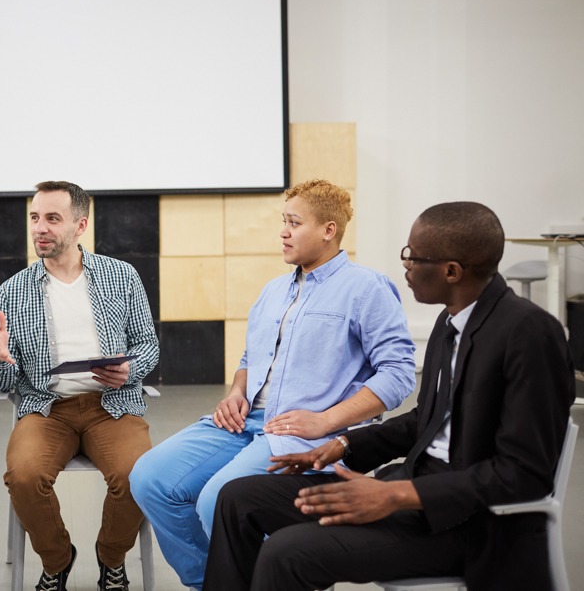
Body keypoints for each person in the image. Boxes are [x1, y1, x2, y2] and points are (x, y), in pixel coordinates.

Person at [204, 201, 575, 591]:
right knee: (238, 499)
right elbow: (427, 421)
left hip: (470, 525)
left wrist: (398, 495)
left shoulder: (530, 333)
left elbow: (526, 474)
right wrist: (342, 445)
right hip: (412, 495)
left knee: (286, 552)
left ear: (451, 271)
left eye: (413, 257)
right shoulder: (450, 321)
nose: (406, 266)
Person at [129, 178, 416, 589]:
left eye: (294, 222)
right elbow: (251, 359)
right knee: (150, 478)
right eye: (283, 221)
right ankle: (210, 582)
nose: (283, 231)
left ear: (328, 230)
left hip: (299, 433)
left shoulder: (366, 288)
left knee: (216, 501)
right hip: (246, 423)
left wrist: (325, 421)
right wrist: (235, 393)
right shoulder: (273, 290)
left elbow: (399, 373)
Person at [0, 180, 160, 591]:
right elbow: (2, 380)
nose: (39, 228)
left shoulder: (121, 276)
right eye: (34, 218)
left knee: (139, 474)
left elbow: (148, 346)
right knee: (25, 476)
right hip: (47, 408)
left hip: (112, 404)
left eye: (52, 218)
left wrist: (130, 370)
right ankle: (58, 560)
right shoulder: (12, 290)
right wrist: (1, 359)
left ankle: (111, 558)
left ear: (80, 225)